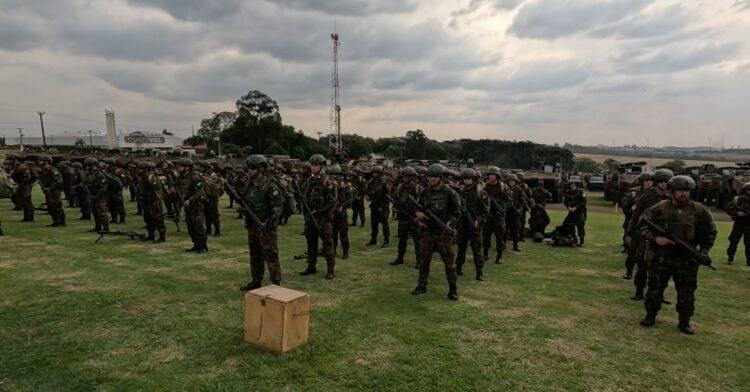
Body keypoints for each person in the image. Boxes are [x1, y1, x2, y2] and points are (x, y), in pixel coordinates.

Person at [638, 175, 717, 335]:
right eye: (680, 190)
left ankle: (684, 321)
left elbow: (711, 232)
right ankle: (650, 315)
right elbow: (641, 224)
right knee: (655, 288)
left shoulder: (699, 210)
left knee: (687, 292)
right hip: (663, 257)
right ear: (672, 191)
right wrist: (656, 238)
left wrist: (703, 252)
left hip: (687, 259)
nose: (684, 194)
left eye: (687, 191)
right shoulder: (660, 207)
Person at [411, 164, 462, 301]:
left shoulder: (450, 193)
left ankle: (452, 289)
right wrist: (419, 215)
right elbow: (417, 208)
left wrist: (449, 223)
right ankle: (422, 285)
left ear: (441, 178)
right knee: (424, 260)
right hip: (428, 232)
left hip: (444, 234)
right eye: (430, 176)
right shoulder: (424, 192)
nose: (432, 179)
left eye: (435, 177)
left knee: (449, 263)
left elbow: (457, 212)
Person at [238, 155, 284, 290]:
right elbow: (247, 204)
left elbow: (278, 206)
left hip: (266, 226)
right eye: (248, 168)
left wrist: (269, 223)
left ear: (261, 169)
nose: (248, 171)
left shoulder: (270, 185)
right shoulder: (249, 186)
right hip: (253, 225)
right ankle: (256, 280)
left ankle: (276, 282)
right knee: (255, 254)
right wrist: (241, 208)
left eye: (252, 168)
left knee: (271, 255)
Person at [625, 169, 672, 300]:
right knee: (642, 266)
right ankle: (639, 291)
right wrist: (629, 233)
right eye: (661, 181)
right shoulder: (646, 197)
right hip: (645, 236)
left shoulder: (671, 197)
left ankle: (660, 294)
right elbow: (635, 217)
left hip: (664, 237)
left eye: (666, 182)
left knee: (663, 269)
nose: (663, 184)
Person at [299, 154, 337, 279]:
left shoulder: (328, 181)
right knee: (311, 243)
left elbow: (332, 202)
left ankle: (330, 269)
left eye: (316, 165)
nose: (313, 167)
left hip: (323, 218)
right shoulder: (310, 181)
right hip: (311, 217)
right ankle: (311, 266)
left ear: (322, 166)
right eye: (312, 165)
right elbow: (305, 196)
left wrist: (319, 211)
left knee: (327, 245)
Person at [456, 168, 489, 280]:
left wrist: (478, 220)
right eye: (465, 178)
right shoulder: (460, 191)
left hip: (475, 226)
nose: (467, 180)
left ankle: (479, 272)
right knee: (461, 248)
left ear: (474, 179)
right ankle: (458, 268)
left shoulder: (481, 192)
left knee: (477, 250)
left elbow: (485, 210)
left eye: (469, 178)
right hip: (463, 225)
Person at [391, 166, 422, 268]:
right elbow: (396, 199)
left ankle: (419, 260)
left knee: (417, 240)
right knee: (402, 239)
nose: (405, 178)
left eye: (407, 176)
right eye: (404, 176)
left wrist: (418, 216)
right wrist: (395, 208)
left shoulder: (417, 187)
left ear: (412, 177)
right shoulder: (400, 187)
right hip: (403, 216)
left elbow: (421, 203)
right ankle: (400, 258)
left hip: (413, 217)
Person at [177, 158, 208, 254]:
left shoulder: (195, 176)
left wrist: (190, 200)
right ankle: (196, 245)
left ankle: (203, 246)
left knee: (198, 225)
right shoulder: (181, 177)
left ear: (187, 167)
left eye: (180, 166)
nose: (178, 167)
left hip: (196, 205)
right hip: (187, 206)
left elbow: (199, 191)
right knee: (190, 226)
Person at [136, 161, 166, 243]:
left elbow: (159, 192)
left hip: (154, 203)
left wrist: (157, 203)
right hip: (146, 204)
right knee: (148, 220)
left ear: (145, 169)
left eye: (140, 169)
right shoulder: (142, 179)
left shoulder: (152, 179)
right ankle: (151, 235)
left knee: (158, 220)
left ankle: (162, 237)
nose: (138, 170)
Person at [483, 166, 507, 264]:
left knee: (499, 237)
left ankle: (499, 256)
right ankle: (485, 255)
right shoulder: (486, 187)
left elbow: (508, 200)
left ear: (497, 176)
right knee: (486, 237)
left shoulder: (502, 187)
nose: (491, 177)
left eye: (493, 175)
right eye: (490, 175)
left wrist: (501, 207)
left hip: (498, 216)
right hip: (489, 215)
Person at [329, 164, 353, 260]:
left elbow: (350, 198)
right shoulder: (329, 185)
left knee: (343, 234)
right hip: (332, 212)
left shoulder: (346, 184)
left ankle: (346, 252)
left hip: (341, 213)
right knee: (332, 234)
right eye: (332, 175)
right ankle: (333, 251)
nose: (334, 177)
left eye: (335, 175)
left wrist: (342, 206)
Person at [366, 165, 391, 247]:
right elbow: (368, 191)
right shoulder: (371, 181)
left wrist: (383, 206)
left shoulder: (385, 182)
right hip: (374, 205)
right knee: (374, 223)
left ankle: (386, 241)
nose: (374, 174)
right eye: (373, 172)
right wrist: (368, 196)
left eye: (376, 173)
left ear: (380, 173)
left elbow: (388, 196)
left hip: (383, 205)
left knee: (384, 224)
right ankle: (373, 240)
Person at [37, 155, 66, 227]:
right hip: (48, 191)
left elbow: (58, 181)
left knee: (56, 205)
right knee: (50, 206)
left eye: (40, 161)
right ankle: (56, 221)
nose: (39, 162)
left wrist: (50, 188)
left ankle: (61, 222)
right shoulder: (42, 170)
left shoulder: (52, 170)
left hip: (54, 190)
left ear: (46, 161)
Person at [83, 158, 110, 233]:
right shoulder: (89, 174)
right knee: (94, 211)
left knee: (101, 211)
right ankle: (97, 226)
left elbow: (103, 187)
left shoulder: (99, 174)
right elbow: (86, 184)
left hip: (100, 196)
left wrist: (97, 196)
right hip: (92, 195)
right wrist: (90, 195)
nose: (87, 167)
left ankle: (105, 227)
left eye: (89, 166)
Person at [726, 182, 750, 266]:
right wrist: (736, 213)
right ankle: (730, 258)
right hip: (739, 223)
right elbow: (729, 209)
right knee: (733, 241)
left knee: (748, 243)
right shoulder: (738, 199)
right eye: (748, 190)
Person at [505, 174, 528, 252]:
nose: (511, 182)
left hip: (515, 213)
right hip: (506, 212)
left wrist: (519, 209)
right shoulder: (504, 189)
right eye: (510, 181)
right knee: (504, 230)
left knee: (516, 230)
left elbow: (523, 201)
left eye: (513, 181)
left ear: (515, 181)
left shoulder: (519, 190)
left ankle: (515, 246)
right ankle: (503, 245)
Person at [562, 180, 587, 246]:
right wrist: (568, 207)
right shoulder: (568, 192)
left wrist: (576, 207)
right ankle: (573, 240)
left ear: (574, 186)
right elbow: (565, 202)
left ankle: (582, 242)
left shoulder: (581, 192)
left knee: (580, 227)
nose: (570, 189)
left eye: (571, 187)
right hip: (571, 212)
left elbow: (583, 202)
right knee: (569, 225)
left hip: (579, 212)